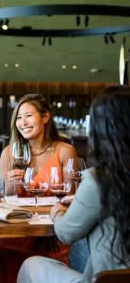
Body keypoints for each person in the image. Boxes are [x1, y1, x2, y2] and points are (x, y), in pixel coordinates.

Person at [17, 85, 130, 282]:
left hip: (105, 279)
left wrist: (58, 212)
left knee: (31, 264)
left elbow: (66, 233)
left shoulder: (100, 180)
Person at [0, 93, 78, 283]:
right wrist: (9, 186)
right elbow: (4, 198)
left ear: (45, 117)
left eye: (28, 115)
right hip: (15, 233)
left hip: (51, 234)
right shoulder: (9, 153)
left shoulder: (65, 151)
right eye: (18, 117)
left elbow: (72, 199)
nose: (22, 122)